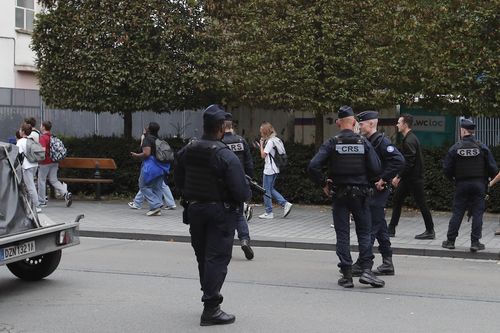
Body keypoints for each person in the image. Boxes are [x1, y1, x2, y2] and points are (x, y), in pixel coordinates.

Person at [174, 104, 251, 326]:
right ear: (220, 128)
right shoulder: (225, 155)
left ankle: (208, 296)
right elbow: (241, 191)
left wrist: (189, 193)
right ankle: (211, 308)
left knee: (203, 256)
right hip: (220, 213)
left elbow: (178, 176)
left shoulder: (189, 149)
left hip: (195, 209)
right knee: (216, 258)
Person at [307, 105, 384, 288]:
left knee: (343, 234)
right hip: (361, 195)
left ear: (338, 123)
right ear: (355, 123)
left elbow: (313, 166)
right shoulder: (363, 142)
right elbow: (376, 168)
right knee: (364, 233)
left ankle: (347, 275)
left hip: (340, 194)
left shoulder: (332, 143)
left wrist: (324, 183)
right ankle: (366, 270)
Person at [350, 111, 405, 276]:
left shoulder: (381, 141)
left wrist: (384, 178)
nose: (360, 127)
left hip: (378, 190)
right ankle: (388, 262)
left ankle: (362, 262)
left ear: (372, 124)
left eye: (363, 124)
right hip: (371, 189)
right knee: (379, 225)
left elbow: (399, 160)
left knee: (370, 227)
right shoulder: (368, 141)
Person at [441, 118, 498, 251]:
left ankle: (450, 241)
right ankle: (475, 242)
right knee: (478, 213)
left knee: (458, 212)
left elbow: (446, 169)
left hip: (461, 184)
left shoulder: (455, 148)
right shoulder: (481, 146)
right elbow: (494, 169)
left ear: (463, 130)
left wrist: (454, 179)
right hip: (479, 184)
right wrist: (486, 179)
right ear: (472, 132)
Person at [388, 114, 435, 239]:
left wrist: (398, 176)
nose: (397, 125)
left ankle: (430, 230)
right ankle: (391, 228)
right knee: (397, 199)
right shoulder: (410, 138)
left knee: (422, 203)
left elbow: (409, 162)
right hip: (410, 178)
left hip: (413, 179)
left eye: (399, 122)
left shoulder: (409, 140)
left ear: (405, 124)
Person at [222, 115, 255, 260]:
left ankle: (225, 246)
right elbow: (249, 163)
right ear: (232, 127)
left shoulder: (220, 142)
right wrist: (249, 179)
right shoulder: (241, 141)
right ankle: (244, 240)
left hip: (223, 184)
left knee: (223, 215)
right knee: (239, 214)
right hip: (240, 182)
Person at [257, 121, 292, 219]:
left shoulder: (270, 142)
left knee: (265, 191)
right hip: (276, 168)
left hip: (269, 169)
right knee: (270, 189)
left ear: (265, 132)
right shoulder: (277, 140)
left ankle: (269, 212)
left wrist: (261, 144)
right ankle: (285, 204)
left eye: (261, 131)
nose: (260, 133)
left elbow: (263, 155)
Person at [130, 122, 166, 216]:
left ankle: (155, 205)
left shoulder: (147, 139)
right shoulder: (159, 139)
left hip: (150, 166)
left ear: (149, 129)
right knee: (157, 187)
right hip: (161, 166)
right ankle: (157, 210)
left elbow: (146, 153)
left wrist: (136, 155)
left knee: (143, 185)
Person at [38, 120, 73, 208]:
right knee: (53, 180)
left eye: (41, 125)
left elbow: (43, 151)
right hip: (54, 161)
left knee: (41, 180)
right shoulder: (52, 136)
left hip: (45, 162)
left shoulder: (43, 137)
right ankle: (65, 194)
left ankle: (42, 201)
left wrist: (38, 159)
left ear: (43, 127)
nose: (40, 126)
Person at [16, 123, 41, 213]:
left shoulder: (20, 141)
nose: (19, 131)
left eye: (20, 129)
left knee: (30, 186)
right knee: (30, 185)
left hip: (27, 166)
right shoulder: (32, 140)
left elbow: (18, 155)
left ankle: (37, 206)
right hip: (34, 164)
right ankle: (31, 203)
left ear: (23, 131)